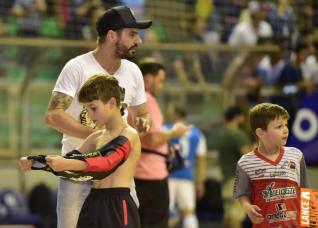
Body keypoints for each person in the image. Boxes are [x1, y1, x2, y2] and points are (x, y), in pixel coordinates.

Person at [43, 5, 152, 228]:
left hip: (119, 176)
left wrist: (144, 122)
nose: (138, 41)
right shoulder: (77, 67)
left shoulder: (133, 72)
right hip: (77, 174)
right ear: (112, 35)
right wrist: (100, 136)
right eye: (132, 34)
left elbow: (144, 113)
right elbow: (53, 115)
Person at [21, 75, 141, 227]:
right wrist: (37, 162)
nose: (89, 115)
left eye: (93, 108)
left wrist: (65, 163)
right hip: (93, 202)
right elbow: (71, 162)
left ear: (112, 103)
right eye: (86, 109)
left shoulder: (130, 135)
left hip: (118, 205)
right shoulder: (96, 137)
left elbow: (106, 162)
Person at [134, 61, 190, 228]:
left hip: (136, 170)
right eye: (160, 81)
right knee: (155, 221)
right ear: (148, 79)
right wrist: (174, 132)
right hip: (151, 173)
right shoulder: (147, 100)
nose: (162, 86)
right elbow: (153, 138)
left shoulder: (131, 99)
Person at [233, 103, 309, 227]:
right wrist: (247, 207)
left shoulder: (296, 155)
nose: (285, 130)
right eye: (279, 126)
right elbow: (242, 193)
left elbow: (307, 191)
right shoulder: (245, 162)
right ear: (261, 132)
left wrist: (311, 224)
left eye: (286, 125)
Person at [164, 106, 207, 228]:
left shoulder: (165, 130)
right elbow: (201, 160)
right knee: (189, 212)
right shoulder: (197, 134)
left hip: (167, 176)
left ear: (174, 114)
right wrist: (200, 182)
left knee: (165, 212)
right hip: (187, 177)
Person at [217, 106, 251, 228]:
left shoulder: (222, 134)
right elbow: (247, 156)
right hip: (237, 181)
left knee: (228, 216)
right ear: (237, 117)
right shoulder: (238, 135)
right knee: (236, 216)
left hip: (226, 180)